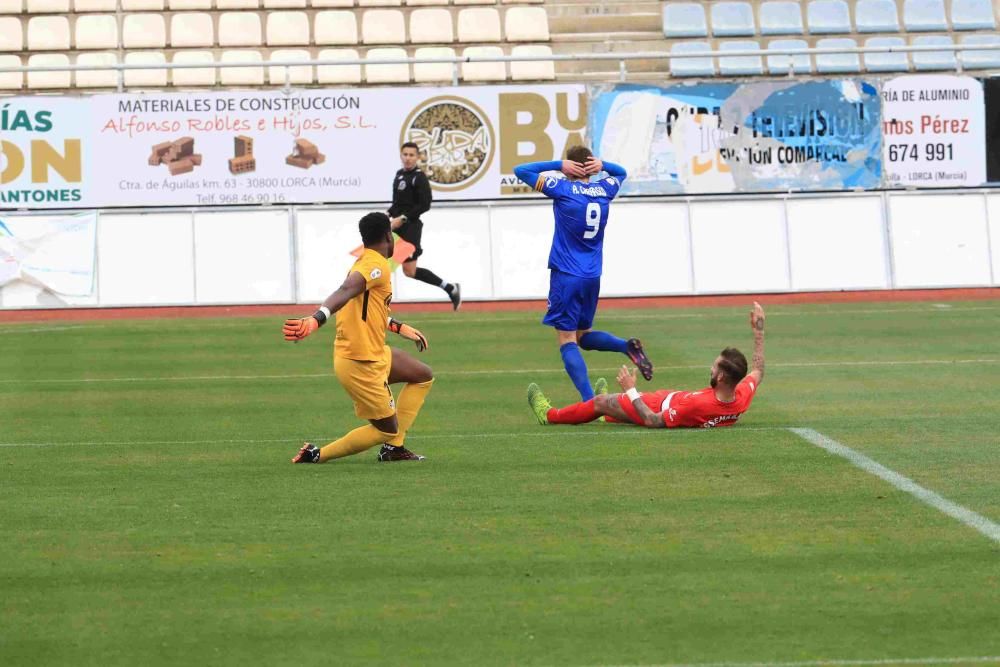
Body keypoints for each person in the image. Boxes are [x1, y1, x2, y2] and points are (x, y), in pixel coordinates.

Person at [284, 212, 434, 463]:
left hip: (373, 353)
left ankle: (394, 449)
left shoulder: (365, 262)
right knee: (386, 429)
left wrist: (398, 327)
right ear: (389, 236)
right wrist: (317, 318)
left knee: (422, 375)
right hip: (360, 362)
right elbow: (346, 290)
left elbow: (366, 309)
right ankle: (317, 455)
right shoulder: (375, 265)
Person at [513, 145, 653, 402]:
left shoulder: (563, 188)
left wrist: (557, 164)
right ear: (591, 166)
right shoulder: (605, 190)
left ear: (570, 167)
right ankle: (625, 346)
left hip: (566, 274)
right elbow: (621, 173)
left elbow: (520, 170)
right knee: (583, 336)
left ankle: (591, 402)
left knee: (567, 340)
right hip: (592, 276)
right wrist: (604, 166)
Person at [527, 302, 766, 429]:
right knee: (609, 405)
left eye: (714, 368)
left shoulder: (699, 404)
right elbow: (758, 371)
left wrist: (630, 389)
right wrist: (759, 332)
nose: (710, 369)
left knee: (600, 402)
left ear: (722, 377)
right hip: (663, 400)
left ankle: (550, 415)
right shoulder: (740, 396)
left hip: (653, 407)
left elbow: (652, 420)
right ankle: (607, 413)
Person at [388, 141, 461, 310]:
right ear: (401, 156)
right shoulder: (399, 175)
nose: (408, 158)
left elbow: (425, 204)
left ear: (418, 157)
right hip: (397, 227)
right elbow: (397, 204)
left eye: (411, 155)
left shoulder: (419, 177)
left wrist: (403, 218)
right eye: (405, 154)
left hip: (411, 228)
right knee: (388, 264)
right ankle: (450, 288)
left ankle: (450, 288)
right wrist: (388, 214)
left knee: (408, 271)